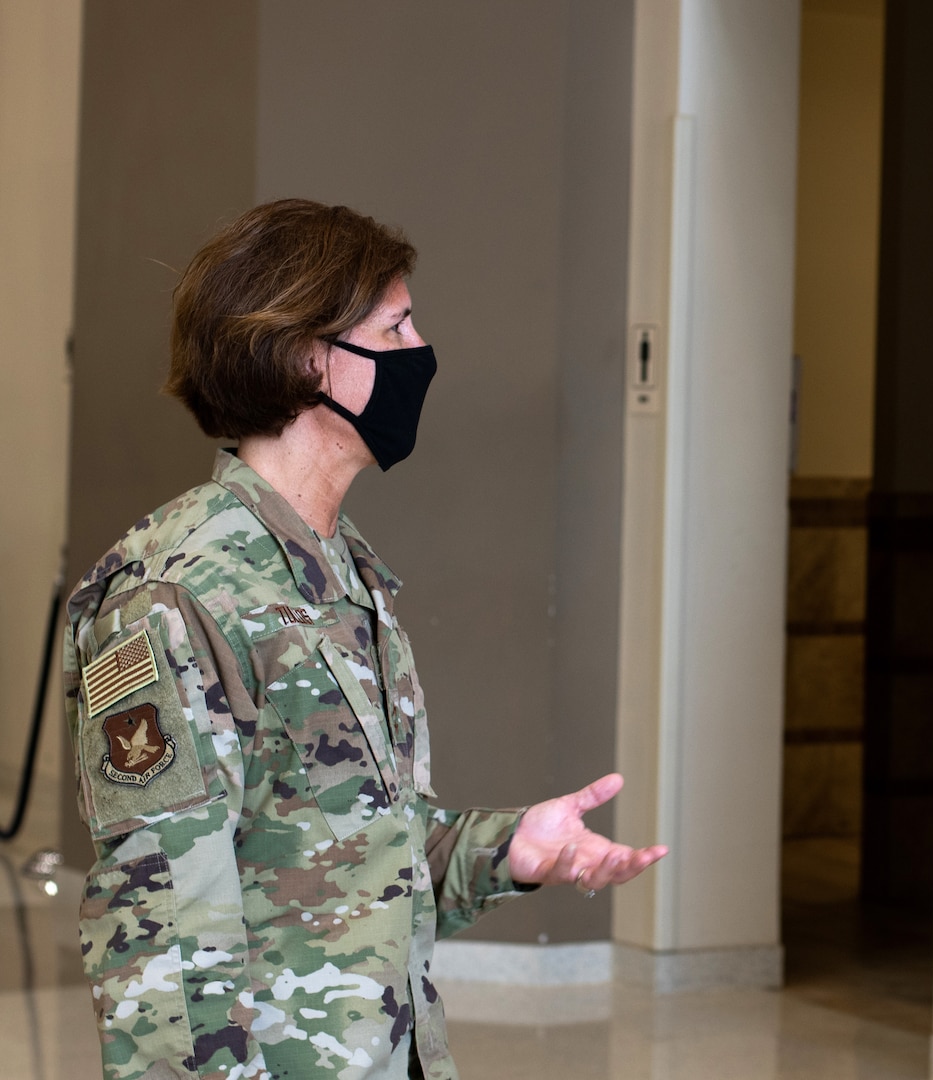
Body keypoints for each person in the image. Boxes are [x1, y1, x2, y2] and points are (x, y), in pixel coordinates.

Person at [64, 199, 666, 1080]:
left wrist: (511, 849)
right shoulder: (178, 593)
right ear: (311, 357)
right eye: (395, 328)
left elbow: (359, 855)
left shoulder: (345, 571)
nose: (419, 353)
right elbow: (161, 923)